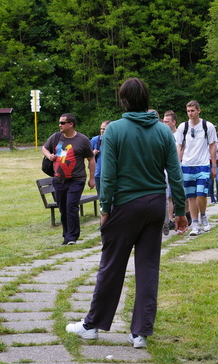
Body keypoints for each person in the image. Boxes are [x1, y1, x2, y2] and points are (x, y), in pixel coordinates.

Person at [66, 77, 188, 349]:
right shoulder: (163, 132)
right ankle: (140, 333)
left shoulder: (115, 130)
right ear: (146, 100)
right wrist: (180, 210)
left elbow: (107, 175)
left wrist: (105, 208)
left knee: (111, 265)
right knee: (147, 268)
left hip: (124, 206)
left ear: (123, 101)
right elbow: (176, 176)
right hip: (155, 206)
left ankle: (92, 326)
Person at [42, 114, 95, 245]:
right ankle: (66, 235)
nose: (59, 125)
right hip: (59, 180)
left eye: (62, 123)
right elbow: (44, 148)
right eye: (59, 122)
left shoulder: (82, 140)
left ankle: (72, 237)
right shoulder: (56, 137)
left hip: (76, 180)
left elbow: (91, 158)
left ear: (70, 124)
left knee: (71, 206)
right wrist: (49, 156)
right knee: (63, 209)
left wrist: (92, 178)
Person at [176, 101, 217, 236]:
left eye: (193, 110)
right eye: (188, 111)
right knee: (191, 196)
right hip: (187, 165)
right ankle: (195, 224)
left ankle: (203, 216)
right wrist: (177, 164)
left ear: (199, 111)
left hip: (203, 164)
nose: (190, 113)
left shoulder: (207, 126)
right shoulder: (183, 127)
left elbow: (212, 145)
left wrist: (214, 165)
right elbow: (180, 146)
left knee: (201, 193)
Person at [90, 120, 111, 198]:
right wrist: (92, 153)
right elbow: (86, 154)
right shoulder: (96, 140)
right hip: (99, 175)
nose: (102, 131)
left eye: (104, 129)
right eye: (101, 129)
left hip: (111, 175)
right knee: (101, 198)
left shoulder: (115, 140)